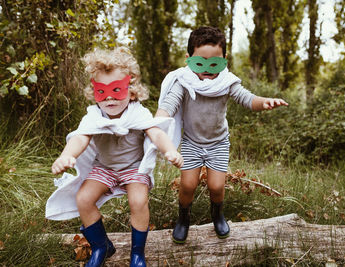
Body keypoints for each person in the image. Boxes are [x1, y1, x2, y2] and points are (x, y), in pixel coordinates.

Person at [46, 47, 183, 267]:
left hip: (133, 167)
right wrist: (66, 156)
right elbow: (80, 138)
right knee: (83, 199)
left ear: (131, 91)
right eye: (102, 91)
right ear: (94, 92)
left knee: (138, 201)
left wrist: (170, 150)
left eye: (117, 90)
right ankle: (101, 246)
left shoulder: (137, 113)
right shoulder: (94, 115)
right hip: (105, 167)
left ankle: (137, 253)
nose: (109, 97)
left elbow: (156, 132)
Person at [156, 26, 288, 244]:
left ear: (224, 59)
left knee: (216, 187)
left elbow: (247, 98)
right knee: (188, 185)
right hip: (192, 143)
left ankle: (217, 214)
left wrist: (264, 102)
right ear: (188, 59)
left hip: (218, 143)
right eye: (200, 62)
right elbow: (168, 106)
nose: (207, 69)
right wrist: (156, 122)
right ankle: (183, 218)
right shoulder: (184, 82)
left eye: (214, 63)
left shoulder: (227, 82)